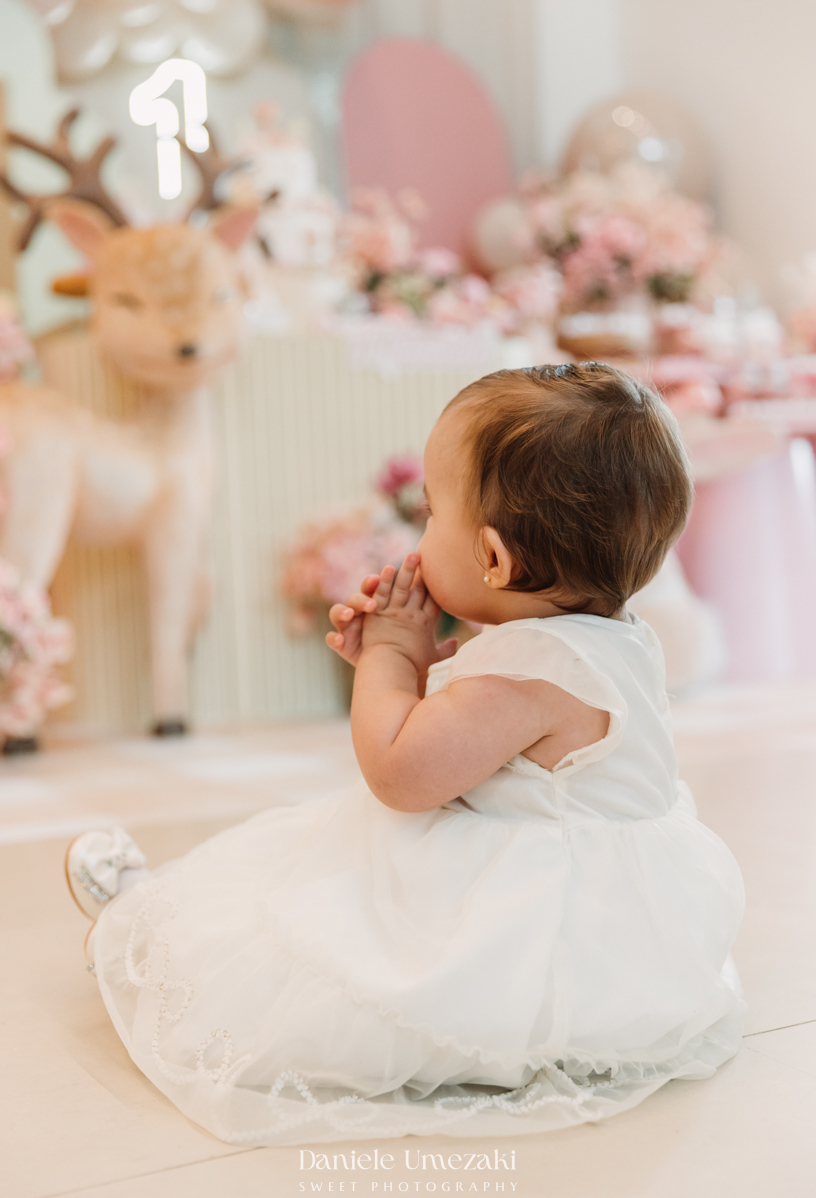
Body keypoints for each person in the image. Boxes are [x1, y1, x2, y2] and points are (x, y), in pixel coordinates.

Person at [66, 363, 744, 1146]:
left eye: (431, 511)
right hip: (619, 938)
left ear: (494, 560)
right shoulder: (613, 640)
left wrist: (389, 658)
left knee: (312, 906)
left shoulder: (525, 674)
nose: (419, 534)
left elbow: (399, 772)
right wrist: (427, 672)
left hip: (514, 935)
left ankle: (145, 933)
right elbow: (501, 748)